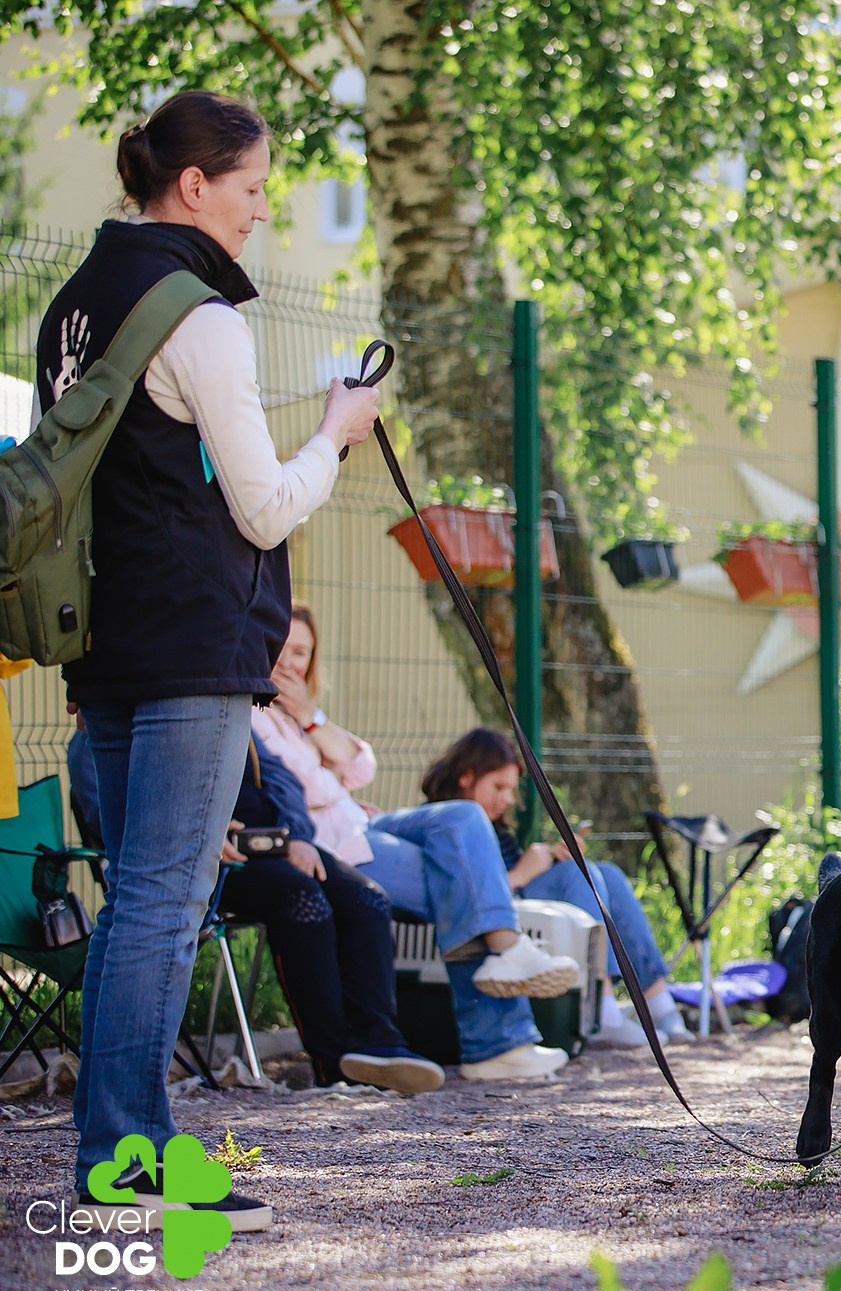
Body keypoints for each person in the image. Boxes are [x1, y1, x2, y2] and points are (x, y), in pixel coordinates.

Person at [50, 90, 380, 1231]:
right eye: (250, 190)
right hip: (189, 640)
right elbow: (265, 506)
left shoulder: (75, 305)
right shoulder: (203, 315)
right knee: (161, 896)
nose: (259, 213)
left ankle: (123, 1148)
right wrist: (334, 433)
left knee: (138, 895)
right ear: (193, 186)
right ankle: (120, 1161)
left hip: (99, 637)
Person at [254, 604, 580, 1081]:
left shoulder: (297, 718)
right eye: (281, 648)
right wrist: (328, 766)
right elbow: (301, 791)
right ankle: (497, 1041)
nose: (289, 663)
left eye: (301, 651)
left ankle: (502, 1009)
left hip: (366, 824)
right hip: (339, 844)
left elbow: (362, 765)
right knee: (463, 887)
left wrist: (308, 715)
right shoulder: (250, 714)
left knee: (465, 818)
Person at [67, 726, 444, 1095]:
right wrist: (200, 833)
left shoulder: (232, 720)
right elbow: (108, 814)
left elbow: (285, 782)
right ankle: (333, 1063)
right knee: (302, 899)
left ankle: (376, 1042)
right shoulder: (99, 732)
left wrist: (294, 835)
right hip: (193, 857)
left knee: (368, 898)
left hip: (268, 843)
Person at [422, 727, 692, 1047]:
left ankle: (659, 1003)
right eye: (498, 787)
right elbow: (469, 897)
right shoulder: (447, 825)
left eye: (511, 789)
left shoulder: (490, 825)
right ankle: (601, 1011)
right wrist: (524, 873)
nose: (507, 799)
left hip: (523, 908)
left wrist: (546, 859)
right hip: (498, 921)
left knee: (609, 875)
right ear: (466, 777)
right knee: (580, 874)